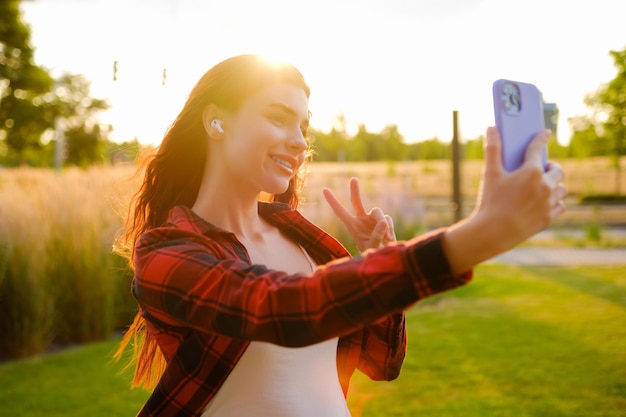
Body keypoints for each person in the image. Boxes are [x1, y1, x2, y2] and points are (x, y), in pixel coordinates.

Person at [114, 54, 567, 417]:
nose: (298, 141)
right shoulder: (166, 251)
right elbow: (285, 309)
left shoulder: (300, 238)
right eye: (278, 117)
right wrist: (475, 237)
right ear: (217, 121)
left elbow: (380, 362)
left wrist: (376, 257)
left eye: (303, 127)